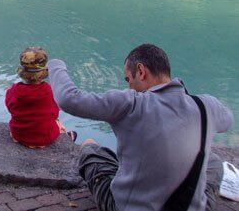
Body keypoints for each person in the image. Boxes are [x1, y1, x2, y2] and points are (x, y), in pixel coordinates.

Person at [48, 43, 234, 211]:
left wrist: (55, 64)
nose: (129, 87)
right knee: (214, 161)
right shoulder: (206, 105)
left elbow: (68, 98)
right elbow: (228, 121)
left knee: (90, 148)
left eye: (128, 79)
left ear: (141, 71)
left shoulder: (131, 103)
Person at [5, 46, 77, 147]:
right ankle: (67, 137)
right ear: (44, 72)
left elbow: (10, 107)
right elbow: (54, 114)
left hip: (19, 135)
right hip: (45, 137)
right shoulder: (50, 91)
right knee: (57, 122)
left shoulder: (13, 91)